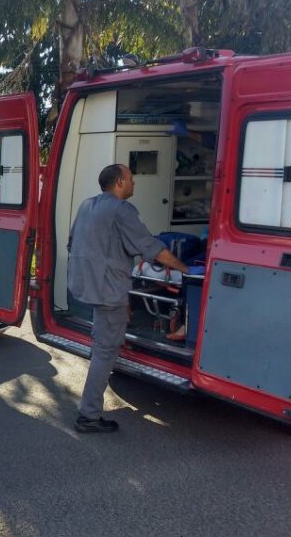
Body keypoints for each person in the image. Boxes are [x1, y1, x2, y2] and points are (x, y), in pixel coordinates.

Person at [68, 163, 195, 433]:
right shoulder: (121, 210)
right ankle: (88, 416)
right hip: (107, 291)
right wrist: (185, 270)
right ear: (120, 182)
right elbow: (151, 248)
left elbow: (73, 242)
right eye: (131, 179)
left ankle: (88, 411)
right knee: (105, 351)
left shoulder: (86, 205)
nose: (134, 183)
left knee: (101, 344)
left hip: (86, 286)